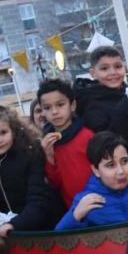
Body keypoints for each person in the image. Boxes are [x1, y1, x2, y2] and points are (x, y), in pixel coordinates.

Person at [0, 105, 63, 238]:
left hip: (43, 230)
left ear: (13, 131)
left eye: (3, 132)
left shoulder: (30, 154)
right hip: (8, 232)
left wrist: (16, 224)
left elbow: (39, 198)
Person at [38, 79, 94, 207]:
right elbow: (55, 184)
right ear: (42, 111)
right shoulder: (46, 142)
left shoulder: (88, 136)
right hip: (72, 210)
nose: (54, 112)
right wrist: (49, 156)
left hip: (98, 202)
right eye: (47, 107)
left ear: (72, 105)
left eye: (60, 104)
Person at [74, 46, 126, 132]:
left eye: (118, 66)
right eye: (104, 68)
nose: (113, 72)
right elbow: (107, 139)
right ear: (93, 73)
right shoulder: (91, 104)